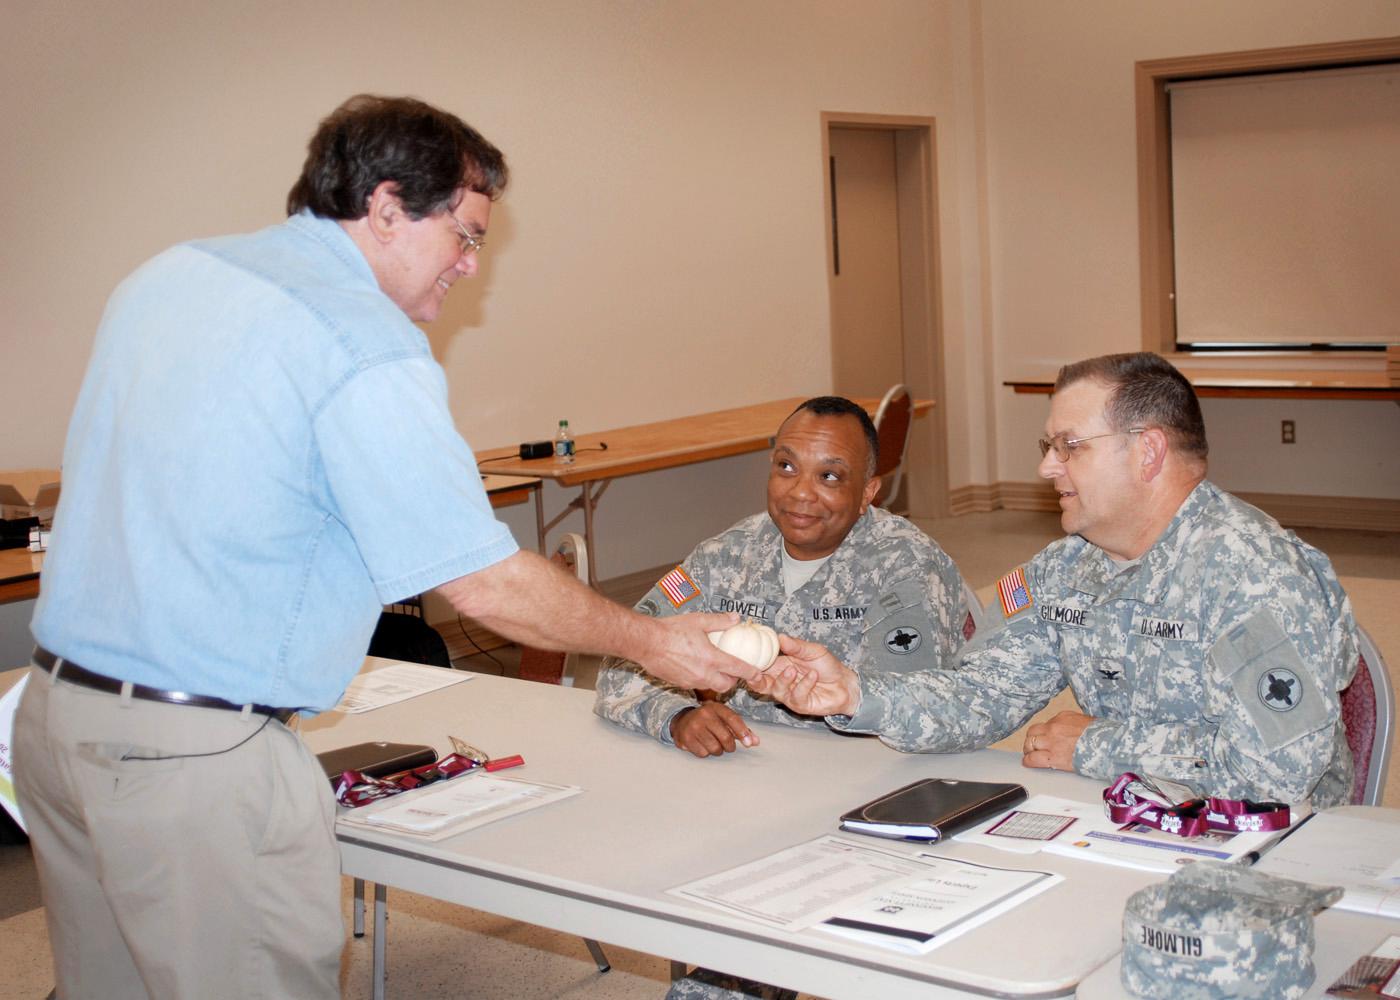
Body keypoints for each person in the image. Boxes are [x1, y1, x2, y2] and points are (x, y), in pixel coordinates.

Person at [14, 95, 751, 1000]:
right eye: (467, 236)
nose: (472, 268)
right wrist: (657, 644)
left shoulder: (171, 275)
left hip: (55, 722)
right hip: (194, 765)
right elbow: (483, 583)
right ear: (389, 205)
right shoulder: (363, 344)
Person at [758, 353, 1358, 809]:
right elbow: (980, 695)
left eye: (1070, 446)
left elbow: (1277, 775)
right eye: (1049, 446)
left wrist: (1096, 746)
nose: (1047, 467)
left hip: (1263, 847)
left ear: (1148, 452)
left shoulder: (1254, 574)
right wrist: (856, 694)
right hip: (1123, 818)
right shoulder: (1067, 569)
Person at [595, 395, 971, 757]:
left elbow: (922, 709)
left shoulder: (907, 568)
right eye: (786, 467)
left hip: (863, 775)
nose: (801, 493)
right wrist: (678, 716)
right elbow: (625, 660)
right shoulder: (725, 556)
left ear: (866, 493)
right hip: (745, 766)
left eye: (829, 476)